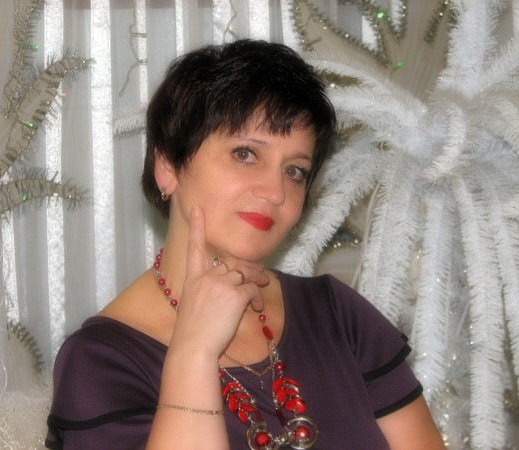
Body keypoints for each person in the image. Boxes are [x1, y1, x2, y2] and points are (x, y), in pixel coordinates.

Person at [45, 39, 444, 449]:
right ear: (167, 167)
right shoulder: (103, 362)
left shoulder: (336, 314)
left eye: (295, 170)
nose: (275, 191)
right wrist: (195, 351)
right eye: (245, 154)